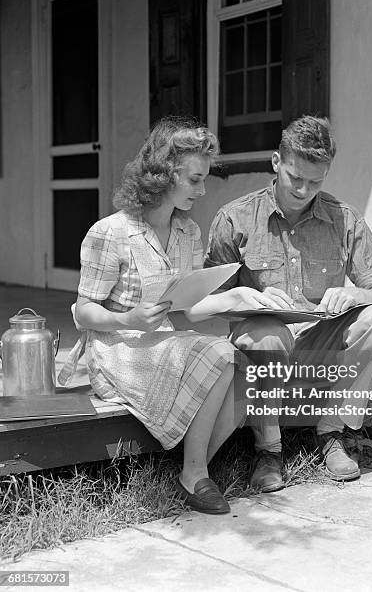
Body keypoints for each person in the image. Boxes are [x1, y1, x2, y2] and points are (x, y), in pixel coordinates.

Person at [58, 116, 279, 515]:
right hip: (117, 348)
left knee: (246, 367)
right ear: (164, 174)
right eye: (194, 179)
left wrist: (241, 296)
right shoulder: (111, 232)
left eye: (205, 179)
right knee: (219, 355)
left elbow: (189, 309)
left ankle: (195, 467)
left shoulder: (187, 232)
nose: (203, 189)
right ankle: (193, 474)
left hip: (162, 340)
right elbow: (84, 311)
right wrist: (128, 320)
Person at [204, 115, 372, 491]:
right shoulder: (235, 218)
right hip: (263, 349)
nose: (303, 189)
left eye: (315, 181)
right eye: (296, 177)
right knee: (267, 337)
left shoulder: (344, 219)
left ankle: (332, 432)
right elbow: (208, 302)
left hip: (320, 347)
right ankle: (269, 450)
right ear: (276, 162)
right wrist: (251, 298)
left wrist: (358, 295)